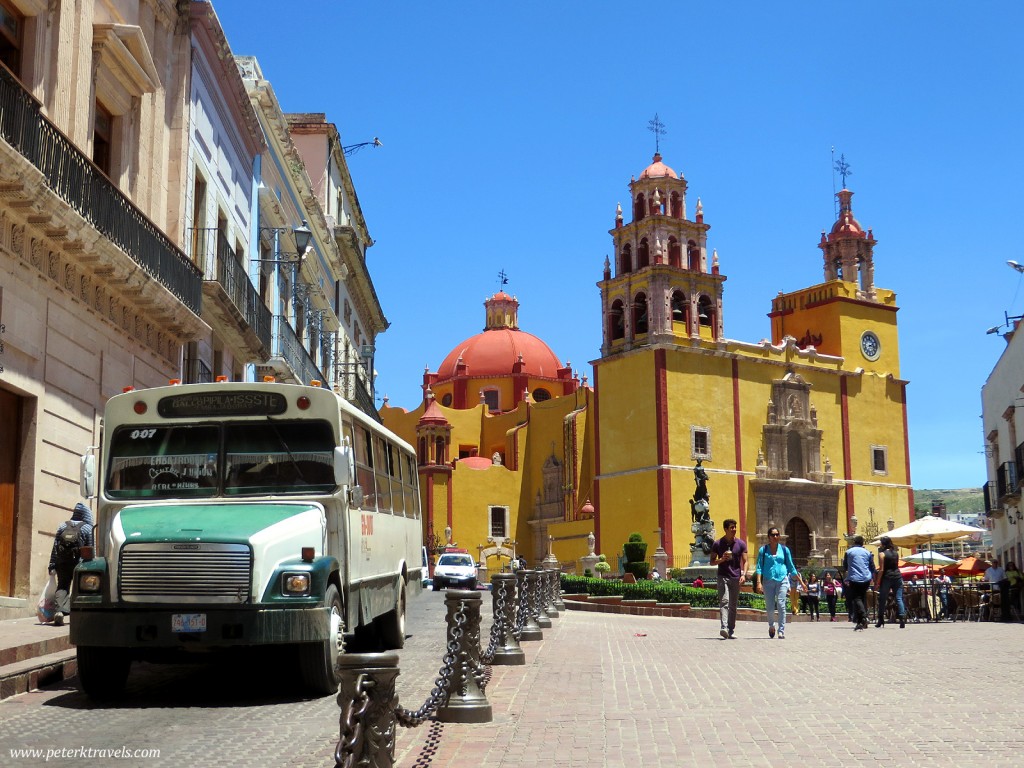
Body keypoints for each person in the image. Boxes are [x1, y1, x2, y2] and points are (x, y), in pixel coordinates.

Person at [754, 527, 805, 639]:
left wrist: (802, 582)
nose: (775, 537)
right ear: (769, 537)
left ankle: (781, 630)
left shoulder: (785, 550)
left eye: (777, 534)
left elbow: (791, 567)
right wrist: (759, 582)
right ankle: (771, 626)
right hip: (768, 581)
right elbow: (759, 568)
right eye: (773, 535)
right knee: (770, 606)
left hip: (782, 580)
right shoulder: (763, 550)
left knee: (781, 605)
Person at [47, 502, 94, 627]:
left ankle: (59, 612)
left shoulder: (62, 526)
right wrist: (90, 566)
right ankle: (78, 615)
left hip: (62, 562)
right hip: (79, 564)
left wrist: (52, 564)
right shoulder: (88, 528)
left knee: (62, 586)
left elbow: (55, 547)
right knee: (79, 589)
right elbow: (89, 548)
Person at [709, 518, 748, 639]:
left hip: (736, 577)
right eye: (731, 528)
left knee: (733, 605)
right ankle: (724, 627)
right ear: (725, 529)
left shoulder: (741, 544)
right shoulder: (717, 544)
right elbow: (711, 562)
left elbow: (746, 561)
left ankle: (731, 629)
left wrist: (744, 574)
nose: (734, 530)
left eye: (735, 527)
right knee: (724, 602)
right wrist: (722, 559)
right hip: (723, 576)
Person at [842, 535, 876, 631]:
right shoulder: (867, 552)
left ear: (854, 542)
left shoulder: (848, 552)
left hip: (854, 578)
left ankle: (863, 616)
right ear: (862, 543)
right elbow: (872, 566)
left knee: (856, 598)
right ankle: (861, 621)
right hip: (866, 578)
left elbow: (845, 566)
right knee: (862, 597)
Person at [874, 536, 906, 629]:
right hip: (897, 576)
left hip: (887, 577)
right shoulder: (896, 553)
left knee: (882, 599)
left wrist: (877, 582)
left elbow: (881, 569)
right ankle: (902, 618)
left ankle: (880, 620)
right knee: (899, 598)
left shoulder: (882, 554)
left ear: (883, 544)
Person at [985, 557, 1010, 621]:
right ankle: (990, 615)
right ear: (992, 563)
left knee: (1001, 602)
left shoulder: (1001, 569)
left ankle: (1003, 615)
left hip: (1001, 589)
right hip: (992, 589)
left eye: (996, 562)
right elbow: (986, 579)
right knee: (989, 601)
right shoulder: (988, 570)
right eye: (994, 562)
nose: (995, 564)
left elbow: (1005, 578)